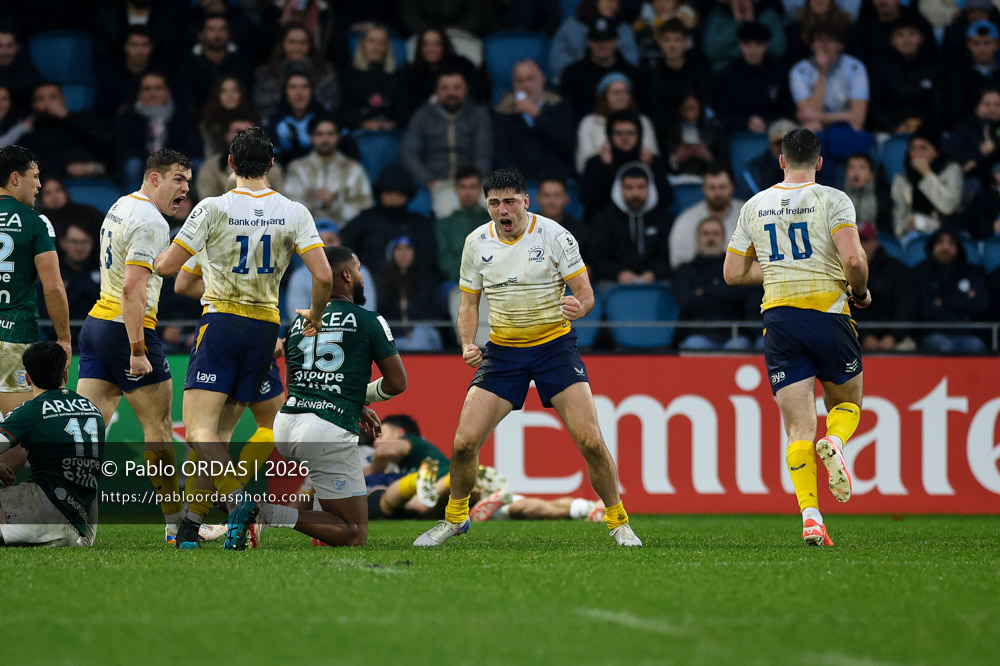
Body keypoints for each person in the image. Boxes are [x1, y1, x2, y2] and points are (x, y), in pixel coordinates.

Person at [413, 168, 642, 547]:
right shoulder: (476, 243)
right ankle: (455, 518)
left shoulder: (555, 236)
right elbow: (469, 304)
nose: (502, 210)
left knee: (590, 440)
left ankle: (618, 521)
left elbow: (586, 293)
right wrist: (468, 342)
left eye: (509, 201)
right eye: (494, 203)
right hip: (503, 352)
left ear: (525, 202)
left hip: (554, 347)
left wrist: (579, 307)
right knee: (464, 443)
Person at [152, 126, 333, 551]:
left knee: (198, 432)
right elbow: (323, 275)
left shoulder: (213, 208)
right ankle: (191, 529)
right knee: (219, 436)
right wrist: (314, 317)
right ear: (271, 165)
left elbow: (168, 270)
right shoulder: (294, 211)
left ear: (230, 164)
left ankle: (239, 501)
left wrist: (148, 255)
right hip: (264, 327)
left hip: (220, 325)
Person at [724, 127, 869, 547]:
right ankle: (837, 441)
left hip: (780, 320)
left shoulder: (756, 204)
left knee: (797, 428)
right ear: (820, 162)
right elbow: (855, 259)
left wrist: (774, 271)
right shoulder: (833, 199)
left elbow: (732, 273)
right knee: (847, 403)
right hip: (827, 313)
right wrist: (859, 292)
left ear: (782, 160)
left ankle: (810, 516)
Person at [76, 148, 192, 543]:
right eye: (178, 178)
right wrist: (138, 349)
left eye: (188, 181)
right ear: (154, 178)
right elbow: (132, 287)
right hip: (125, 331)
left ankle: (75, 523)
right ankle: (176, 524)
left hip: (95, 327)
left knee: (87, 432)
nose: (185, 188)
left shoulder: (122, 205)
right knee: (157, 427)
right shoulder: (150, 220)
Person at [259, 244, 406, 548]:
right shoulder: (369, 320)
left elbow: (298, 380)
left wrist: (351, 400)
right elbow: (396, 383)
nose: (362, 275)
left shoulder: (300, 322)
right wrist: (356, 397)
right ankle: (263, 512)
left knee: (334, 513)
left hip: (287, 423)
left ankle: (317, 536)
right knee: (353, 532)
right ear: (347, 275)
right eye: (360, 269)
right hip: (326, 427)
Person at [0, 341, 103, 547]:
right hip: (85, 530)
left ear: (28, 379)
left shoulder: (31, 411)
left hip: (44, 517)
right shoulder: (92, 409)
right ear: (65, 375)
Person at [0, 145, 71, 418]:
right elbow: (53, 287)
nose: (39, 185)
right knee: (17, 434)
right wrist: (64, 338)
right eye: (35, 176)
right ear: (16, 178)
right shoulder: (36, 222)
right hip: (14, 338)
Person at [400, 69, 493, 220]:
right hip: (438, 182)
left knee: (490, 213)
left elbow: (484, 152)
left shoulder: (478, 114)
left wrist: (474, 181)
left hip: (473, 181)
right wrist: (428, 179)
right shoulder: (423, 115)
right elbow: (409, 152)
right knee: (446, 212)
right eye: (445, 88)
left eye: (457, 88)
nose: (451, 92)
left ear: (465, 90)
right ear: (437, 91)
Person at [673, 217, 754, 350]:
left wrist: (704, 292)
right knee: (695, 344)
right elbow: (687, 303)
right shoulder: (684, 271)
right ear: (697, 238)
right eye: (705, 233)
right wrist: (724, 293)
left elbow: (742, 295)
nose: (711, 238)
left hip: (734, 335)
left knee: (740, 345)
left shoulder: (738, 268)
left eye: (716, 234)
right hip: (697, 334)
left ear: (724, 238)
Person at [586, 163, 672, 284]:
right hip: (613, 282)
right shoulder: (604, 219)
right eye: (629, 188)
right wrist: (618, 273)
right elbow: (596, 257)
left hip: (657, 280)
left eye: (641, 187)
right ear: (619, 189)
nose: (635, 193)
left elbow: (670, 254)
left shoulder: (664, 218)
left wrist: (654, 273)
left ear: (650, 188)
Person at [492, 59, 577, 182]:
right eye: (520, 81)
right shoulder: (504, 111)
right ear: (514, 85)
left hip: (557, 178)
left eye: (530, 79)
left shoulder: (560, 106)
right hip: (519, 181)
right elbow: (502, 153)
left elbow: (567, 145)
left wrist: (537, 115)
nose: (525, 85)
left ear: (542, 79)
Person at [114, 72, 203, 187]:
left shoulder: (183, 116)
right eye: (147, 89)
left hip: (176, 165)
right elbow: (124, 150)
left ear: (168, 92)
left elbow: (193, 148)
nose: (153, 93)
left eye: (158, 88)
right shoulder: (128, 116)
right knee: (132, 166)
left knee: (199, 165)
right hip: (143, 166)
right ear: (139, 93)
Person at [283, 113, 373, 223]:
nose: (325, 139)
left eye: (330, 134)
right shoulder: (297, 168)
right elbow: (289, 208)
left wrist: (335, 203)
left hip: (346, 233)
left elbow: (365, 207)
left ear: (338, 137)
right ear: (311, 137)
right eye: (319, 134)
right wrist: (315, 202)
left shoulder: (354, 169)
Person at [914, 227, 990, 353]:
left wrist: (943, 302)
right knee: (944, 346)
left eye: (951, 243)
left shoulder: (973, 272)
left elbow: (981, 305)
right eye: (940, 242)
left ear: (958, 248)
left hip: (967, 334)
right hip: (932, 333)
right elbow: (925, 310)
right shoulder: (921, 273)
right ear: (932, 247)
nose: (945, 247)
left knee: (975, 346)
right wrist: (962, 312)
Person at [866, 15, 943, 135]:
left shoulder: (935, 65)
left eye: (911, 34)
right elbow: (875, 104)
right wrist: (893, 126)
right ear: (892, 40)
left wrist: (926, 127)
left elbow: (939, 104)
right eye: (900, 35)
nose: (906, 40)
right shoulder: (879, 66)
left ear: (921, 38)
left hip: (928, 130)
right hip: (889, 131)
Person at [714, 21, 792, 135]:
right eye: (748, 45)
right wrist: (745, 123)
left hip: (777, 131)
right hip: (739, 135)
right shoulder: (726, 75)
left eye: (758, 45)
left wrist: (768, 122)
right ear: (740, 45)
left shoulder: (779, 72)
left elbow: (788, 110)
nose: (753, 51)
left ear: (767, 45)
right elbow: (722, 116)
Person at [789, 22, 868, 133]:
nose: (824, 45)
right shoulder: (799, 71)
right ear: (812, 46)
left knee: (854, 127)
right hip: (818, 126)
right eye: (820, 40)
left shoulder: (855, 67)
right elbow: (809, 114)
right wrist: (822, 72)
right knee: (810, 127)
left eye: (830, 40)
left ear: (839, 45)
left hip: (846, 126)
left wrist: (820, 117)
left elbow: (858, 118)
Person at [559, 16, 643, 120]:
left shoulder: (633, 74)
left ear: (616, 40)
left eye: (607, 39)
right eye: (597, 40)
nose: (602, 45)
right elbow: (566, 113)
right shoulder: (572, 74)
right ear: (588, 41)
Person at [851, 223, 918, 351]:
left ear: (875, 242)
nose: (859, 246)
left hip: (895, 337)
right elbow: (843, 310)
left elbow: (906, 306)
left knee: (909, 349)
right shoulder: (841, 272)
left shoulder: (897, 269)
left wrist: (893, 336)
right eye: (854, 241)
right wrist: (863, 336)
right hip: (855, 337)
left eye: (864, 240)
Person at [575, 71, 658, 174]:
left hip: (637, 178)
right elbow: (582, 164)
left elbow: (652, 155)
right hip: (600, 177)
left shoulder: (642, 121)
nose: (621, 96)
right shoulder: (589, 122)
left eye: (625, 91)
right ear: (604, 96)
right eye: (615, 92)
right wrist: (601, 161)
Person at [890, 125, 963, 239]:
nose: (917, 153)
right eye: (913, 148)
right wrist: (907, 224)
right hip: (911, 234)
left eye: (923, 148)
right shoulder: (902, 178)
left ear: (936, 152)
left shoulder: (951, 170)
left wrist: (926, 173)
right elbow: (897, 221)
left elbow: (948, 206)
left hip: (945, 233)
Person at [377, 236, 447, 351]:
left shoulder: (428, 281)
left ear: (414, 253)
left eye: (408, 249)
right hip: (396, 336)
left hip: (425, 332)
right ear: (392, 253)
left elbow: (436, 312)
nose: (403, 254)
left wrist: (413, 328)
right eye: (399, 249)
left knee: (418, 339)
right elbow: (381, 315)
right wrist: (401, 331)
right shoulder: (383, 283)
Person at [253, 22, 338, 118]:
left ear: (310, 45)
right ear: (282, 44)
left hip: (316, 123)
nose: (297, 47)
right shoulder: (266, 71)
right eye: (292, 42)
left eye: (303, 42)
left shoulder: (323, 69)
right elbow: (262, 104)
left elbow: (330, 103)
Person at [670, 166, 744, 270]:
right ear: (703, 189)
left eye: (722, 187)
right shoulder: (686, 220)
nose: (717, 193)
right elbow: (679, 263)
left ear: (732, 188)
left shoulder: (749, 216)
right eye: (712, 188)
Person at [549, 0, 639, 86]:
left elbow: (631, 61)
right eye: (609, 1)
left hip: (615, 85)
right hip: (580, 84)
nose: (614, 6)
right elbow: (558, 63)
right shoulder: (571, 26)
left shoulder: (623, 29)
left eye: (616, 2)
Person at [197, 118, 285, 199]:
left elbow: (280, 202)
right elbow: (208, 204)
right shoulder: (211, 167)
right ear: (227, 135)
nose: (244, 136)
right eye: (238, 131)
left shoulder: (272, 168)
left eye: (249, 131)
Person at [339, 23, 404, 132]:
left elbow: (403, 110)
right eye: (371, 41)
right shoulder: (349, 73)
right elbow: (343, 111)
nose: (376, 47)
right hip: (357, 132)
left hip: (389, 133)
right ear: (363, 43)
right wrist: (362, 123)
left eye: (381, 42)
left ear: (386, 46)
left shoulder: (397, 75)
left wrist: (393, 123)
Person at [435, 165, 485, 281]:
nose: (468, 192)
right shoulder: (444, 225)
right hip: (458, 282)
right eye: (463, 187)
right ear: (456, 190)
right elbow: (444, 262)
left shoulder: (494, 222)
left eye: (473, 187)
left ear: (481, 189)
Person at [264, 71, 323, 166]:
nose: (299, 93)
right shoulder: (274, 120)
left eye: (304, 87)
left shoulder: (323, 117)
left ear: (312, 91)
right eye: (293, 87)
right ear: (285, 92)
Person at [735, 117, 794, 200]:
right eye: (778, 143)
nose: (783, 147)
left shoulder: (810, 165)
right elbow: (742, 200)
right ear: (770, 144)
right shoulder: (756, 169)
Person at [199, 76, 260, 156]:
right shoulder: (209, 122)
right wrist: (228, 140)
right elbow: (211, 155)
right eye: (224, 91)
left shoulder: (253, 117)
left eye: (234, 90)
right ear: (217, 95)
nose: (230, 96)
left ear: (241, 93)